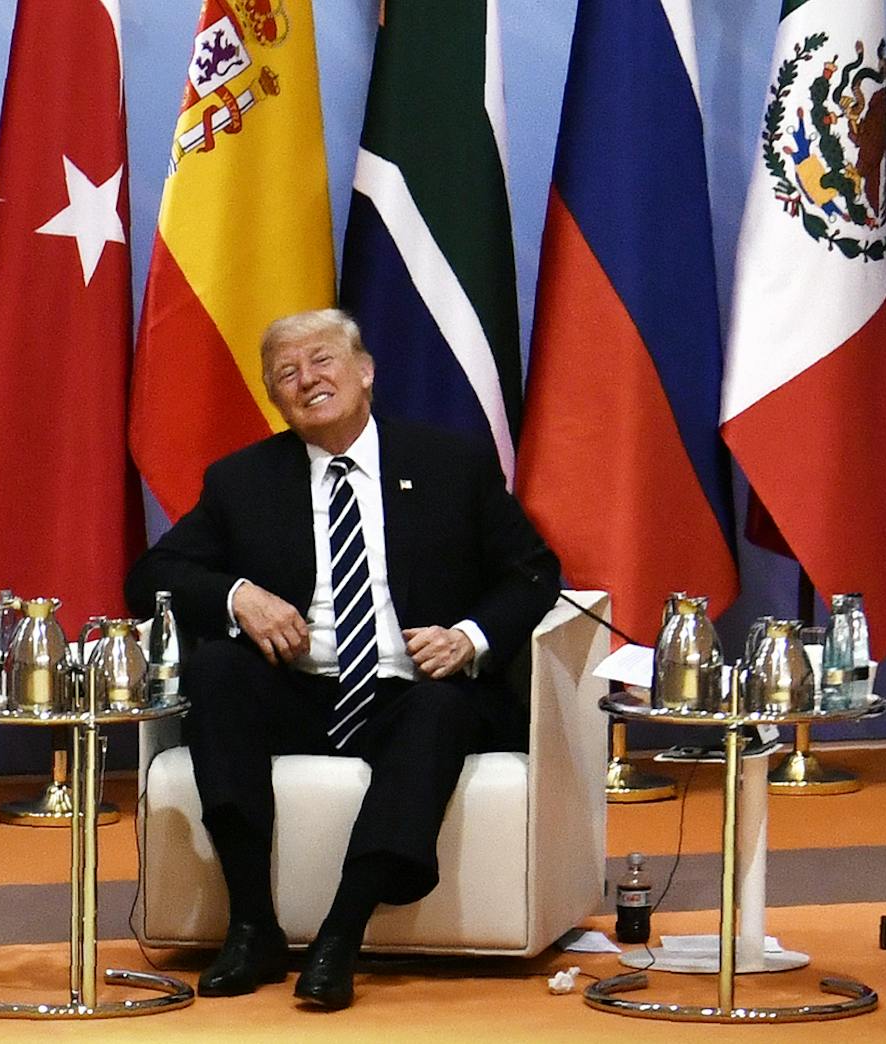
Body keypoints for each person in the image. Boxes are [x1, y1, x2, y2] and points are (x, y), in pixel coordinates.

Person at [124, 308, 560, 1010]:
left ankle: (340, 935)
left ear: (364, 372)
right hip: (300, 689)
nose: (307, 380)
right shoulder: (244, 480)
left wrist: (470, 637)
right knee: (216, 672)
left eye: (322, 360)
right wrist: (237, 596)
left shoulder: (450, 465)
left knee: (441, 709)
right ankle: (252, 925)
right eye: (286, 375)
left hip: (413, 687)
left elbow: (534, 573)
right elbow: (152, 576)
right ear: (276, 400)